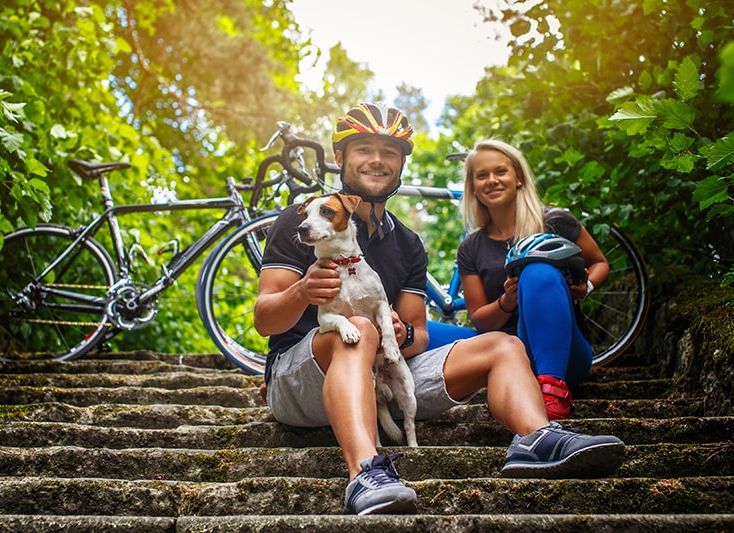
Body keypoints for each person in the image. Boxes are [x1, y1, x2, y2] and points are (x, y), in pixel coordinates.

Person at [254, 103, 624, 516]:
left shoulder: (409, 243)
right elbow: (264, 319)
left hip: (382, 379)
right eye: (363, 149)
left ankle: (537, 437)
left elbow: (419, 334)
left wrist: (401, 333)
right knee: (359, 327)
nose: (377, 159)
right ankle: (364, 473)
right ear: (340, 158)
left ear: (400, 165)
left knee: (501, 344)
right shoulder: (302, 221)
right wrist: (303, 291)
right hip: (300, 381)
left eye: (390, 152)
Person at [451, 139, 610, 421]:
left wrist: (586, 287)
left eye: (500, 171)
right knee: (418, 332)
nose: (492, 180)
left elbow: (599, 263)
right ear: (473, 187)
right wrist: (507, 301)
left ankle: (551, 396)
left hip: (564, 353)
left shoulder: (556, 222)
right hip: (506, 352)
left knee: (537, 271)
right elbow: (480, 319)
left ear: (519, 178)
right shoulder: (471, 247)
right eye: (482, 175)